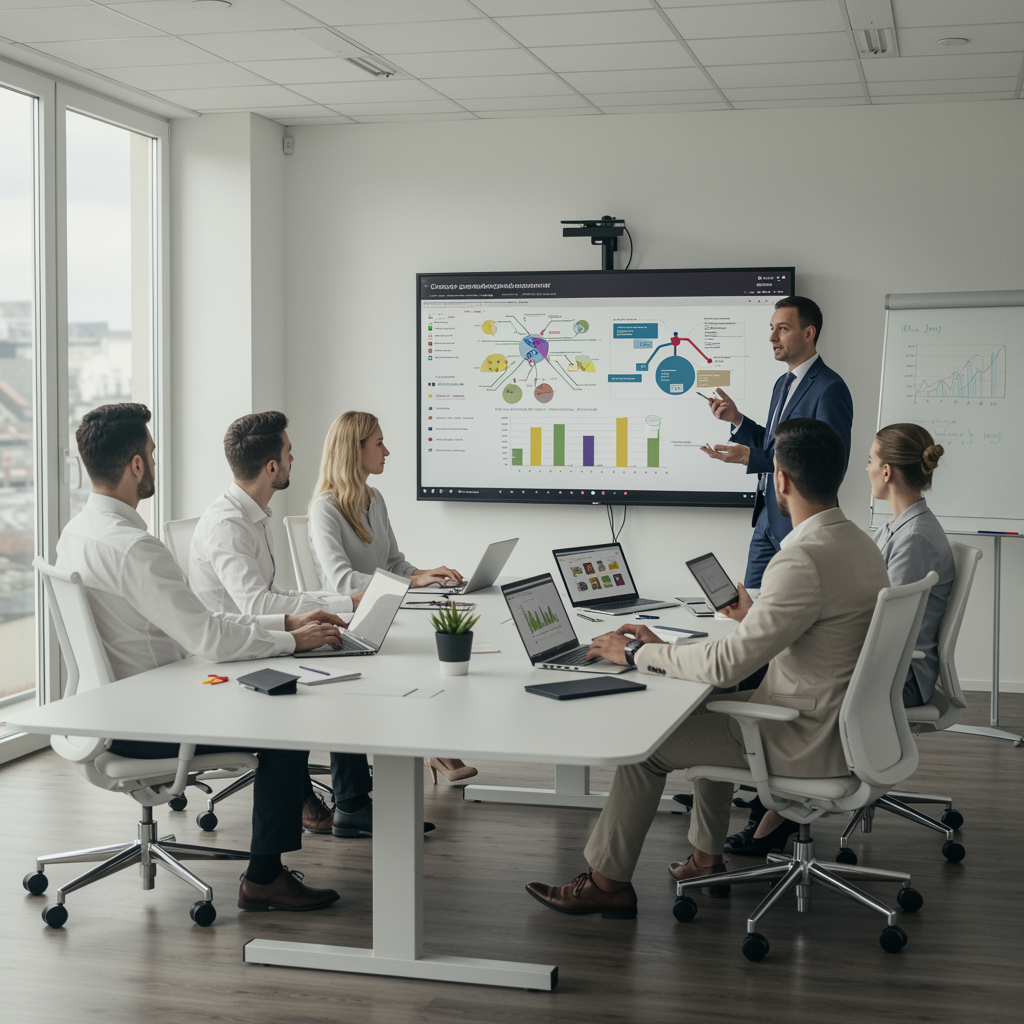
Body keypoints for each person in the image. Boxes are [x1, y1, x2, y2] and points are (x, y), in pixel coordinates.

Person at [524, 419, 889, 919]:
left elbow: (724, 663)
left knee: (646, 749)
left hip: (802, 739)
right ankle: (705, 859)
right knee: (713, 710)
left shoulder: (802, 558)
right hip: (844, 729)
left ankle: (608, 883)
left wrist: (634, 655)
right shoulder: (860, 545)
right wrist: (667, 644)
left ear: (779, 478)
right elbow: (799, 629)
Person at [57, 402, 346, 913]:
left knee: (270, 688)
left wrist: (285, 623)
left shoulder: (77, 532)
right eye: (151, 449)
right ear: (138, 465)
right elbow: (208, 637)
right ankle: (263, 878)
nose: (153, 458)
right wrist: (291, 641)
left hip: (112, 709)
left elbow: (204, 627)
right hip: (152, 719)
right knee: (287, 721)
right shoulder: (133, 547)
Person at [190, 411, 433, 839]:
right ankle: (347, 803)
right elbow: (254, 605)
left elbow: (271, 596)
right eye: (288, 453)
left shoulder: (254, 516)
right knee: (339, 672)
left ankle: (354, 801)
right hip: (230, 657)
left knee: (345, 657)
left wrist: (324, 608)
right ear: (272, 467)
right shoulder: (228, 524)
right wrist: (327, 609)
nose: (293, 459)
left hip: (255, 638)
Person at [308, 411, 476, 785]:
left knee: (442, 645)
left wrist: (423, 575)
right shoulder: (326, 508)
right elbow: (342, 582)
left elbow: (394, 562)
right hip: (351, 623)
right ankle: (431, 746)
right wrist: (410, 585)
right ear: (355, 449)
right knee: (424, 653)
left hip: (385, 612)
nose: (388, 451)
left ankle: (434, 743)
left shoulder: (374, 498)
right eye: (379, 443)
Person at [701, 296, 854, 589]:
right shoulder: (782, 384)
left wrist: (750, 458)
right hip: (766, 518)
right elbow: (779, 447)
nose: (772, 337)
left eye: (782, 328)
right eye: (772, 328)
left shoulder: (830, 388)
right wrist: (737, 420)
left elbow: (827, 462)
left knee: (788, 612)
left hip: (800, 522)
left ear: (809, 333)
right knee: (751, 609)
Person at [867, 422, 954, 707]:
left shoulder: (915, 539)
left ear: (887, 471)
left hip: (900, 680)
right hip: (889, 668)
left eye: (870, 462)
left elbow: (887, 624)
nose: (867, 470)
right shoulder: (897, 527)